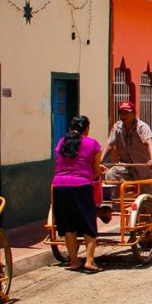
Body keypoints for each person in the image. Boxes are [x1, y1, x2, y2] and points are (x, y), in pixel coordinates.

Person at [52, 115, 102, 273]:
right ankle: (90, 261)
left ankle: (74, 261)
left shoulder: (61, 142)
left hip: (59, 186)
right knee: (88, 223)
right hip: (81, 186)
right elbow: (96, 171)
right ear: (86, 129)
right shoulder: (92, 143)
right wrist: (94, 175)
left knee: (68, 225)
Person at [102, 100, 152, 181]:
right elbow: (110, 144)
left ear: (134, 113)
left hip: (142, 167)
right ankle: (120, 193)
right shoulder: (117, 127)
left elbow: (150, 143)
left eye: (127, 113)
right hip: (124, 166)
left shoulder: (142, 127)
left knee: (145, 192)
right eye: (121, 113)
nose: (123, 116)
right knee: (111, 175)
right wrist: (101, 161)